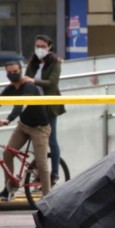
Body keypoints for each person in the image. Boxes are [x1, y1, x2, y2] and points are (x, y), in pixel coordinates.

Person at [0, 60, 51, 201]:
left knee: (41, 164)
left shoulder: (28, 86)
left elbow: (20, 105)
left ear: (21, 70)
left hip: (39, 128)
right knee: (7, 154)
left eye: (15, 71)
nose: (12, 74)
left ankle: (48, 197)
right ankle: (8, 189)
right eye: (9, 72)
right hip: (23, 126)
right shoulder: (11, 88)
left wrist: (8, 119)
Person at [24, 34, 66, 187]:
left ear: (49, 47)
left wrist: (33, 81)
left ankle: (54, 173)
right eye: (37, 46)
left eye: (42, 46)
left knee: (51, 140)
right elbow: (25, 80)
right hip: (34, 107)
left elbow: (52, 84)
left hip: (49, 107)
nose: (39, 49)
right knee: (36, 141)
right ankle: (40, 173)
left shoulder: (55, 62)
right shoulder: (32, 62)